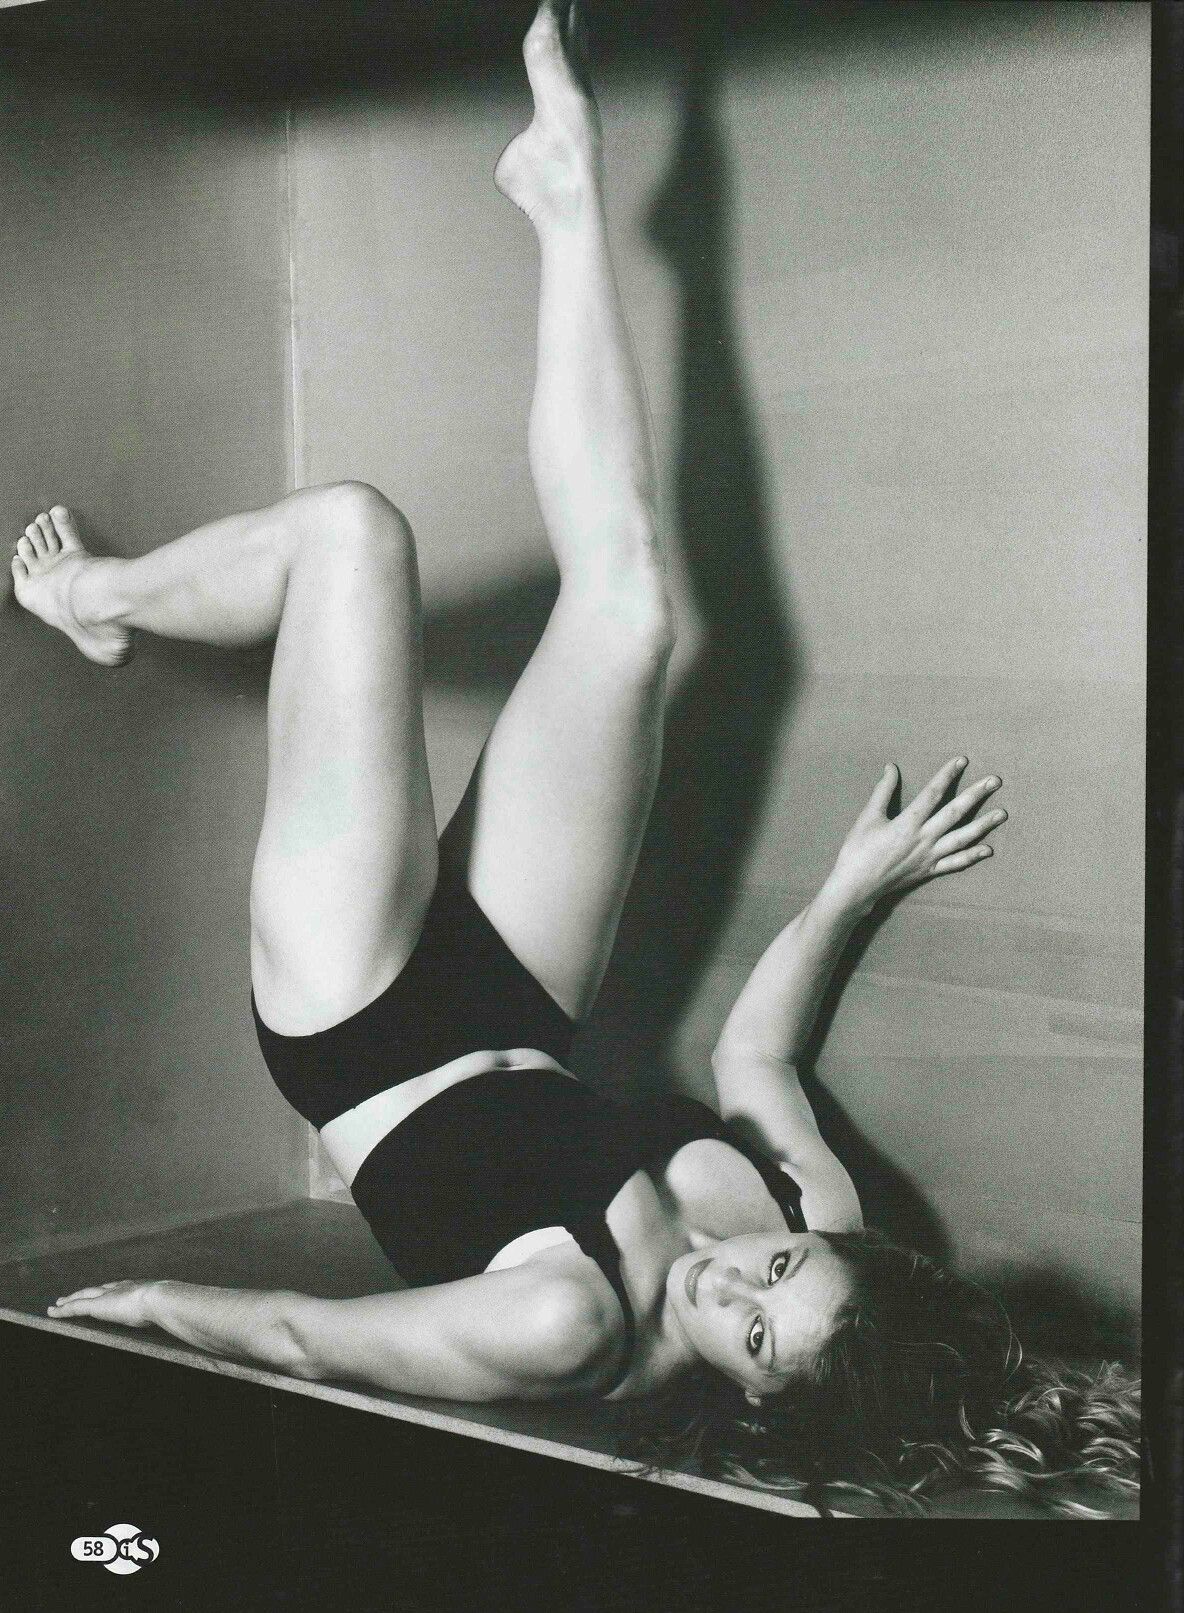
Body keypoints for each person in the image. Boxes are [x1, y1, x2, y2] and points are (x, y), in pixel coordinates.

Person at [18, 2, 1136, 1517]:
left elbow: (303, 1333)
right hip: (511, 997)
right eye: (781, 1267)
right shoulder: (822, 1228)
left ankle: (92, 600)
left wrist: (149, 1306)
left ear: (758, 1402)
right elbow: (757, 1060)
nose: (736, 1277)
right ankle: (565, 195)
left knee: (351, 535)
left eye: (754, 1332)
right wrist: (853, 888)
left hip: (355, 1028)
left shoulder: (567, 1326)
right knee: (632, 613)